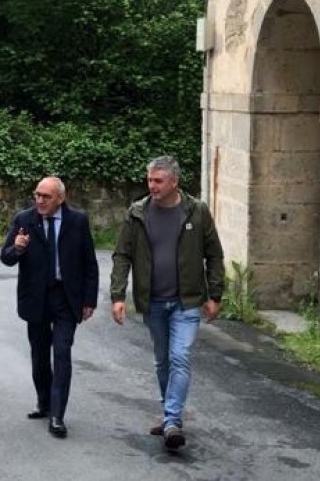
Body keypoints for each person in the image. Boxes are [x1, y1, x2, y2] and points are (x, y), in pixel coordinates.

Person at [110, 156, 225, 450]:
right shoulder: (137, 213)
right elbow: (122, 255)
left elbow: (214, 254)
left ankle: (172, 420)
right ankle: (170, 413)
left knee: (180, 357)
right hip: (153, 301)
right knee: (163, 360)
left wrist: (215, 295)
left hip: (186, 301)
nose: (152, 186)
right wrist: (118, 295)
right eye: (150, 180)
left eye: (158, 181)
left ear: (174, 182)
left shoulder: (196, 212)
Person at [0, 176, 99, 438]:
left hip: (66, 298)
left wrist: (89, 300)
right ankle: (44, 402)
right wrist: (18, 248)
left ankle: (57, 415)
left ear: (60, 198)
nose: (40, 201)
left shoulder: (77, 221)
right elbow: (6, 257)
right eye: (37, 195)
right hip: (36, 298)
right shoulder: (25, 220)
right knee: (39, 356)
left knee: (62, 352)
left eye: (46, 196)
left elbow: (89, 263)